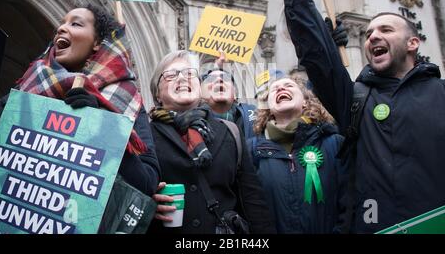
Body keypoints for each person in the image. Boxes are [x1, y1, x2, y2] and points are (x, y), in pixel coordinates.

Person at [274, 0, 445, 233]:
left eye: (385, 30)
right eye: (368, 34)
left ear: (413, 43)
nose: (373, 37)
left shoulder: (441, 94)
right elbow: (318, 57)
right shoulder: (355, 99)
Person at [0, 5, 160, 209]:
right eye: (62, 23)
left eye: (75, 23)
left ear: (97, 42)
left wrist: (101, 121)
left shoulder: (124, 99)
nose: (61, 28)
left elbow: (147, 183)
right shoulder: (27, 88)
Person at [148, 50, 276, 234]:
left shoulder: (230, 131)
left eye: (189, 73)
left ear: (200, 88)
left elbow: (252, 200)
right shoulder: (143, 135)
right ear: (157, 94)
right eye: (170, 75)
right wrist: (147, 204)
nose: (182, 78)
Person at [249, 71, 345, 233]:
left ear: (306, 102)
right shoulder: (252, 150)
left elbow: (349, 201)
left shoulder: (333, 142)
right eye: (274, 89)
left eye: (288, 86)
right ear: (269, 107)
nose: (280, 89)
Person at [200, 52, 256, 140]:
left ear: (235, 94)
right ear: (200, 93)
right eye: (210, 79)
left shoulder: (253, 116)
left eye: (226, 78)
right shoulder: (188, 122)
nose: (219, 79)